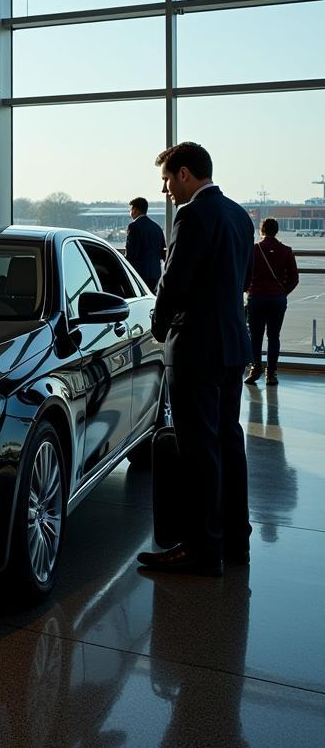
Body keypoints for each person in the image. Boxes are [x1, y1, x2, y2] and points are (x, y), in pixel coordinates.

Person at [138, 142, 254, 577]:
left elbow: (175, 282)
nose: (166, 190)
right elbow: (243, 278)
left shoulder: (192, 215)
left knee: (198, 449)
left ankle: (202, 549)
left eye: (167, 180)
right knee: (228, 442)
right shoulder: (239, 215)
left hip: (195, 348)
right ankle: (234, 541)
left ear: (185, 174)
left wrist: (160, 326)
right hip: (231, 345)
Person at [244, 217, 299, 387]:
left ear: (261, 230)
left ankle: (255, 368)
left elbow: (245, 274)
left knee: (255, 336)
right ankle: (272, 373)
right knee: (274, 336)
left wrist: (248, 290)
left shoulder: (253, 250)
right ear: (277, 231)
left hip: (257, 299)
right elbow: (294, 278)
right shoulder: (286, 250)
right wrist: (282, 292)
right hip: (277, 299)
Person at [125, 195, 165, 292]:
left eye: (131, 209)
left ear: (135, 209)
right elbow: (162, 251)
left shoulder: (134, 226)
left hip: (139, 274)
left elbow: (131, 254)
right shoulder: (157, 227)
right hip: (155, 274)